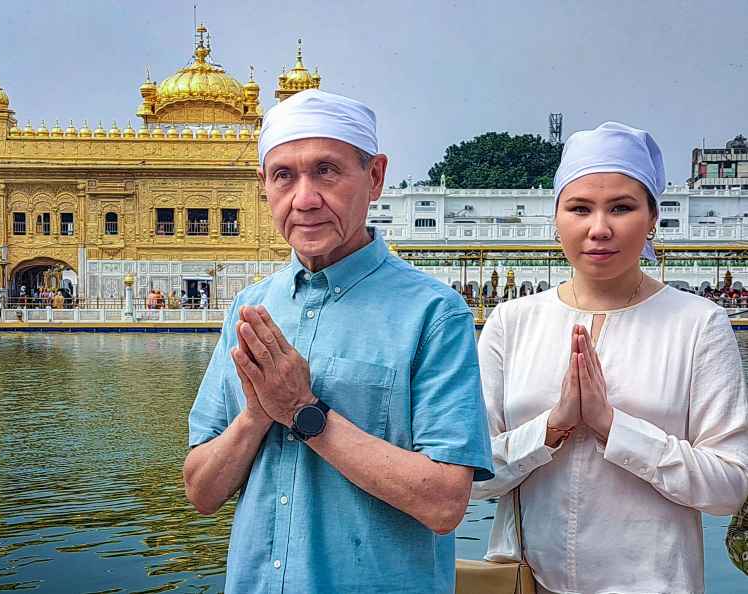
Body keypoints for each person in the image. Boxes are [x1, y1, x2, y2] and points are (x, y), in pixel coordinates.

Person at [183, 89, 493, 594]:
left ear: (374, 178)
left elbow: (444, 503)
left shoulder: (431, 315)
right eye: (284, 175)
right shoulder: (250, 310)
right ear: (263, 187)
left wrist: (305, 411)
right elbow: (201, 491)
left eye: (326, 171)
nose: (304, 199)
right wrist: (257, 415)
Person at [472, 122, 748, 594]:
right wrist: (550, 430)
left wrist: (614, 428)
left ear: (653, 217)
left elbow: (729, 486)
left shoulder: (697, 324)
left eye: (621, 208)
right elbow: (468, 478)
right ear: (556, 217)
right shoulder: (512, 322)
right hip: (527, 582)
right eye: (580, 208)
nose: (599, 229)